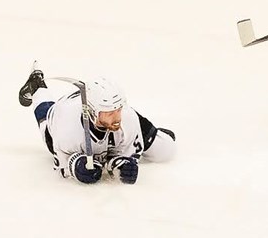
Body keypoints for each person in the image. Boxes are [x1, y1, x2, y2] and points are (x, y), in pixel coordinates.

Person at [17, 63, 176, 184]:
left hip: (117, 126)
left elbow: (125, 156)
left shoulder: (125, 116)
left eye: (118, 109)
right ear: (93, 112)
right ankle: (36, 86)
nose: (117, 117)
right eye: (110, 112)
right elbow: (61, 166)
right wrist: (75, 166)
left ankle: (151, 134)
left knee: (165, 150)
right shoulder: (65, 126)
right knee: (46, 121)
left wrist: (122, 165)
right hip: (62, 114)